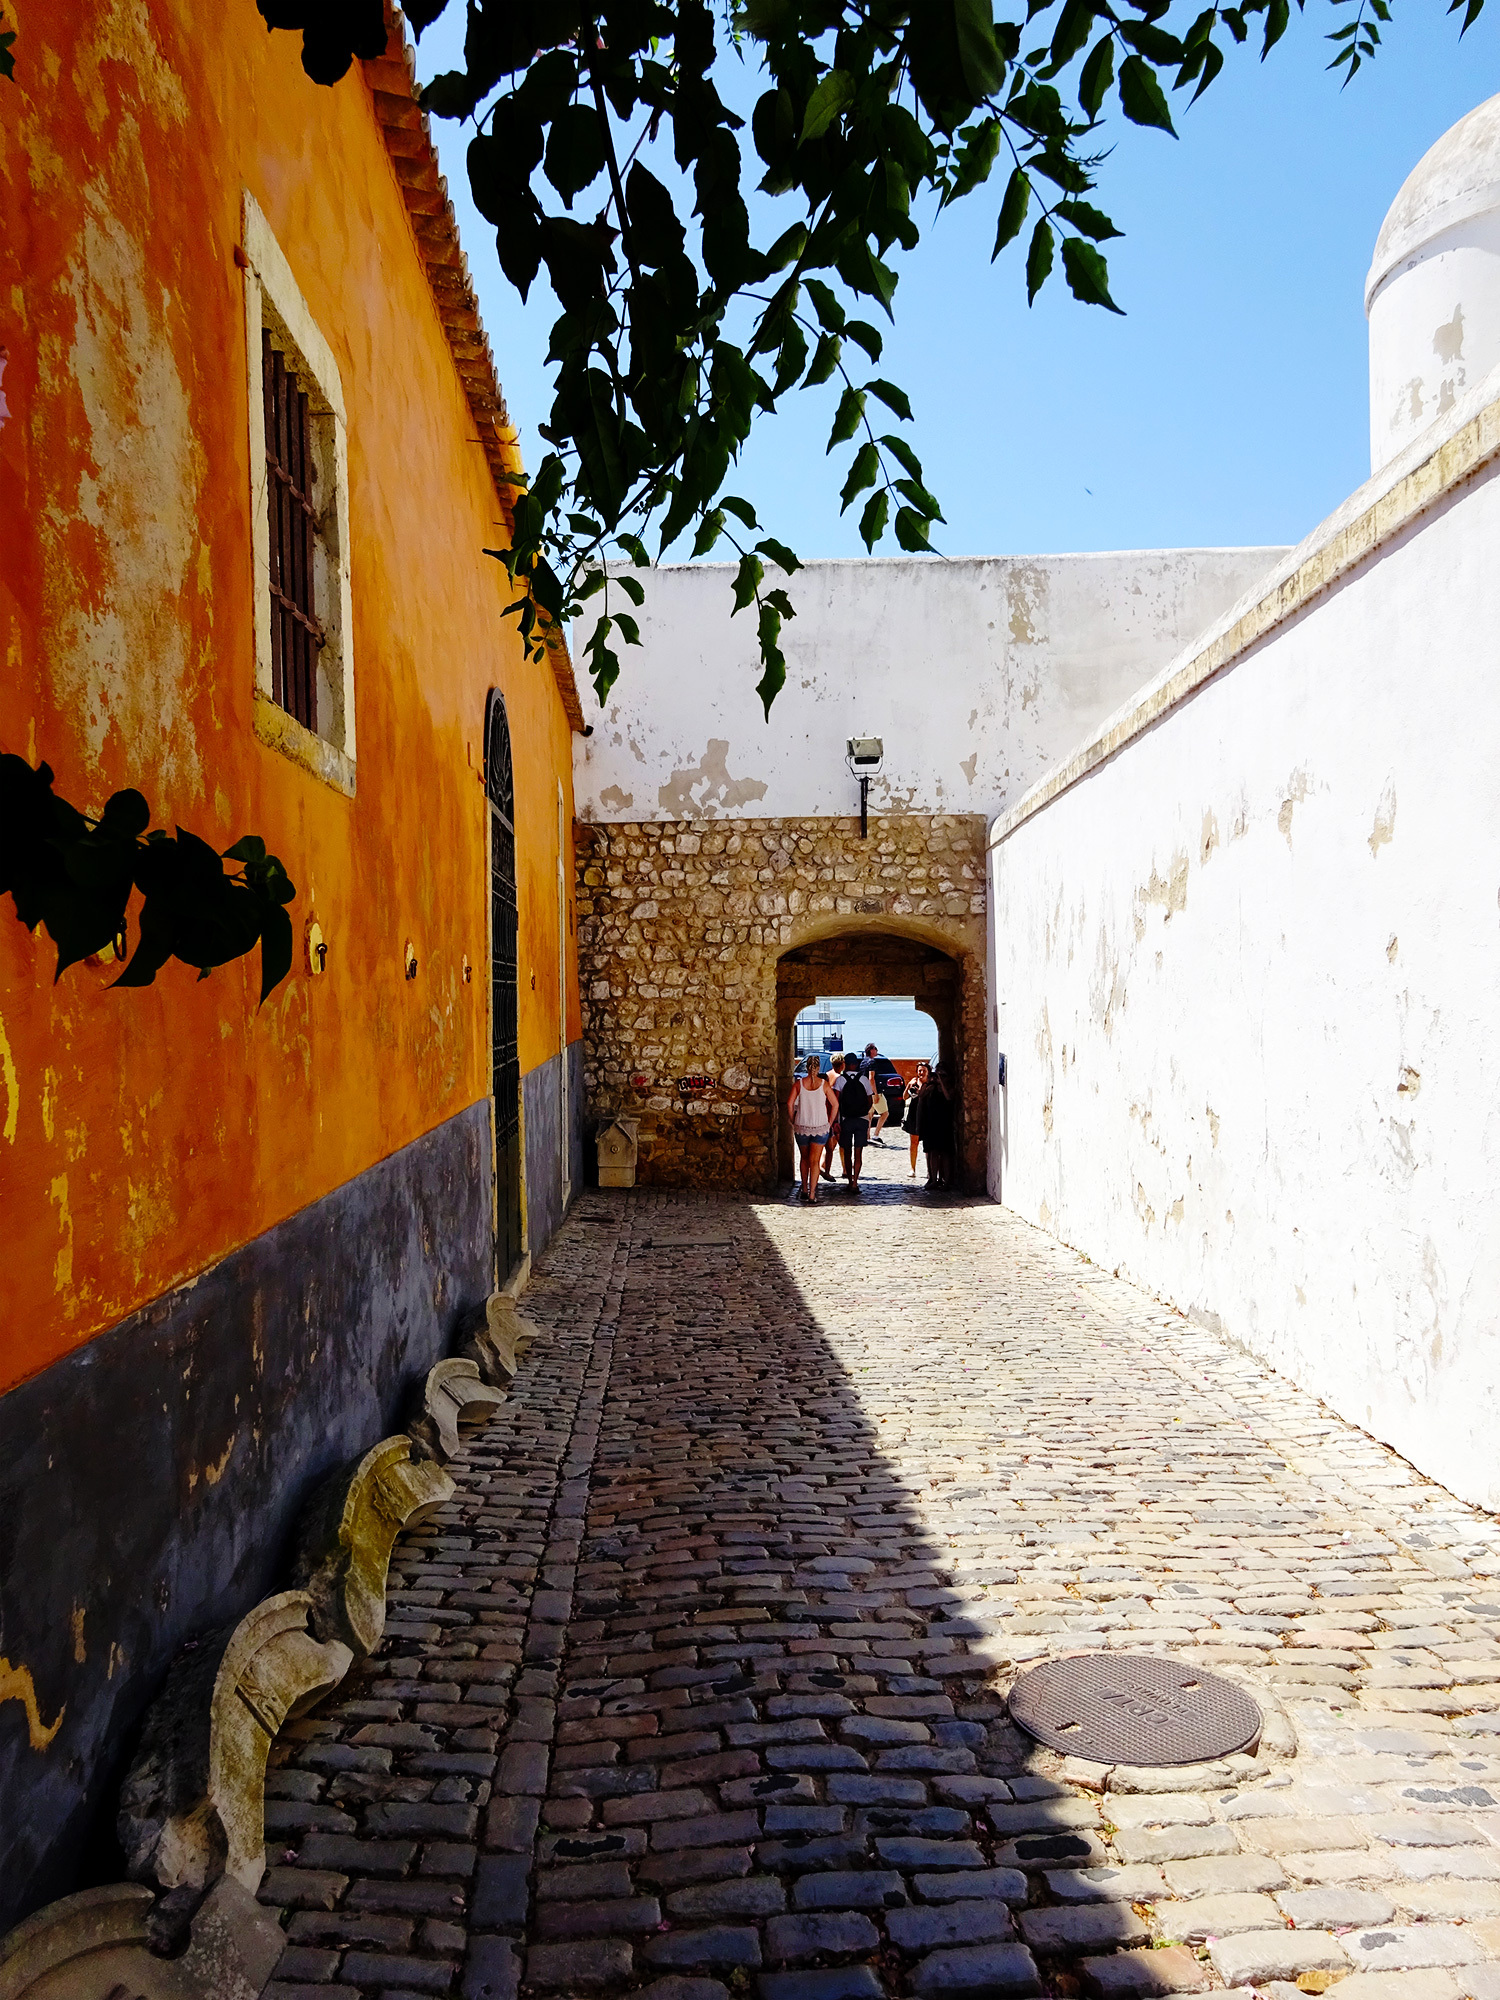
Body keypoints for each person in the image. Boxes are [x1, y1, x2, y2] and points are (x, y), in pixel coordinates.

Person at [788, 1055, 838, 1204]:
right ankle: (812, 1194)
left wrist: (792, 1120)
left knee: (804, 1158)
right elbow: (835, 1104)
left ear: (807, 1067)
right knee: (815, 1161)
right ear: (817, 1068)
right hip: (820, 1126)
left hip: (802, 1125)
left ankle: (804, 1188)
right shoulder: (824, 1085)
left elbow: (790, 1104)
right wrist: (829, 1121)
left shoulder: (799, 1084)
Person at [919, 1060, 956, 1191]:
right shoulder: (931, 1087)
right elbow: (921, 1096)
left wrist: (942, 1083)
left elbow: (949, 1098)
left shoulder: (950, 1087)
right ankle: (934, 1179)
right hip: (931, 1124)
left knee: (946, 1153)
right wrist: (929, 1082)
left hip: (944, 1123)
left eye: (943, 1074)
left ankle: (946, 1181)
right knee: (933, 1152)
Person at [837, 1056, 872, 1192]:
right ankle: (855, 1183)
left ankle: (849, 1180)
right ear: (856, 1064)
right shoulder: (864, 1080)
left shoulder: (840, 1080)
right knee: (859, 1152)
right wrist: (863, 1112)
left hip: (846, 1119)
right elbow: (870, 1100)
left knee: (847, 1151)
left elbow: (836, 1100)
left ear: (845, 1064)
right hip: (861, 1119)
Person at [905, 1063, 929, 1176]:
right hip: (914, 1114)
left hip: (927, 1115)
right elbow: (904, 1097)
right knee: (913, 1143)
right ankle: (912, 1168)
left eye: (924, 1070)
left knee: (928, 1144)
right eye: (919, 1070)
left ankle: (930, 1171)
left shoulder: (930, 1084)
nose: (921, 1073)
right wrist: (908, 1086)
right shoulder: (914, 1083)